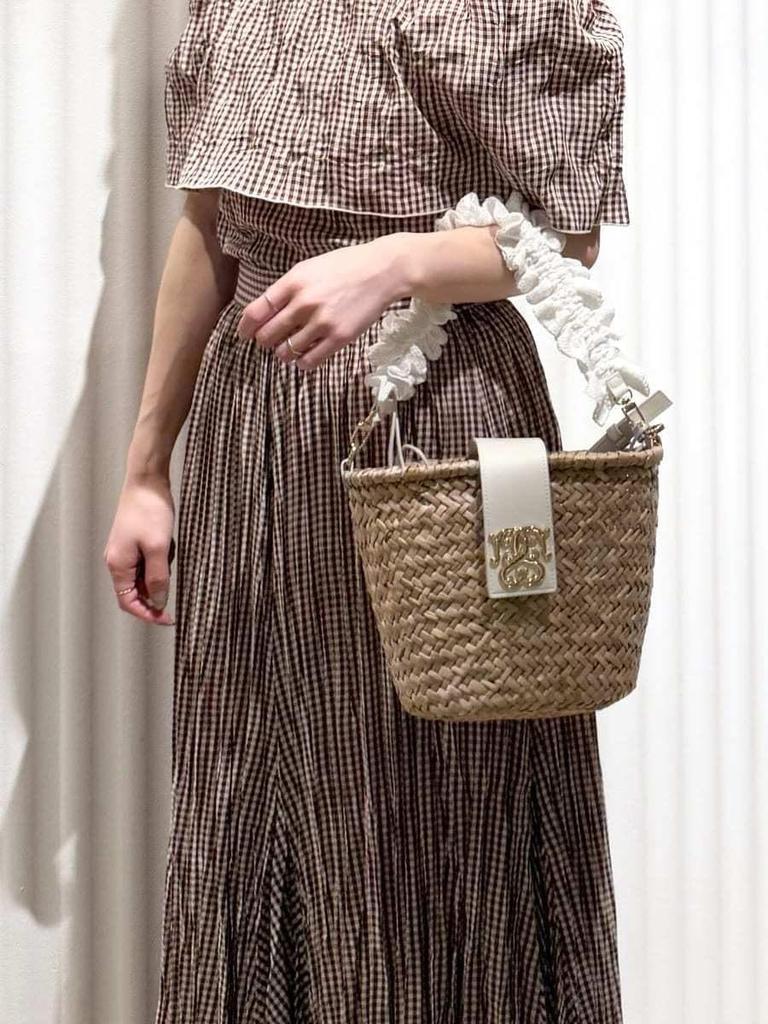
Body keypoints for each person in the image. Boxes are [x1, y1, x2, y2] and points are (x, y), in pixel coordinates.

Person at [103, 0, 631, 1019]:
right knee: (252, 774)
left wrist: (398, 260)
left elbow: (564, 235)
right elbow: (210, 227)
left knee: (450, 789)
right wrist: (145, 469)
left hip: (438, 411)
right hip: (255, 430)